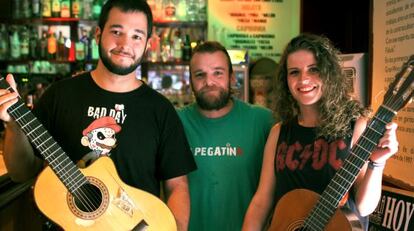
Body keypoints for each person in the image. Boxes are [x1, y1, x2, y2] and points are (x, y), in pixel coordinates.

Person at [0, 0, 196, 230]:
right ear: (98, 34)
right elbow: (22, 172)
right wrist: (14, 127)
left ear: (148, 44)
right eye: (116, 31)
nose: (125, 44)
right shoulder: (59, 95)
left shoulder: (161, 110)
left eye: (136, 36)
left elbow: (178, 187)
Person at [242, 33, 399, 230]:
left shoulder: (356, 127)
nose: (303, 79)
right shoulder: (279, 132)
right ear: (286, 80)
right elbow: (261, 201)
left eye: (313, 69)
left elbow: (365, 207)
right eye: (294, 72)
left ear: (329, 74)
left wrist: (378, 162)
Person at [177, 41, 274, 230]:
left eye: (218, 73)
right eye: (200, 75)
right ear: (190, 82)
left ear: (231, 78)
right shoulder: (174, 123)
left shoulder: (263, 121)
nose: (209, 82)